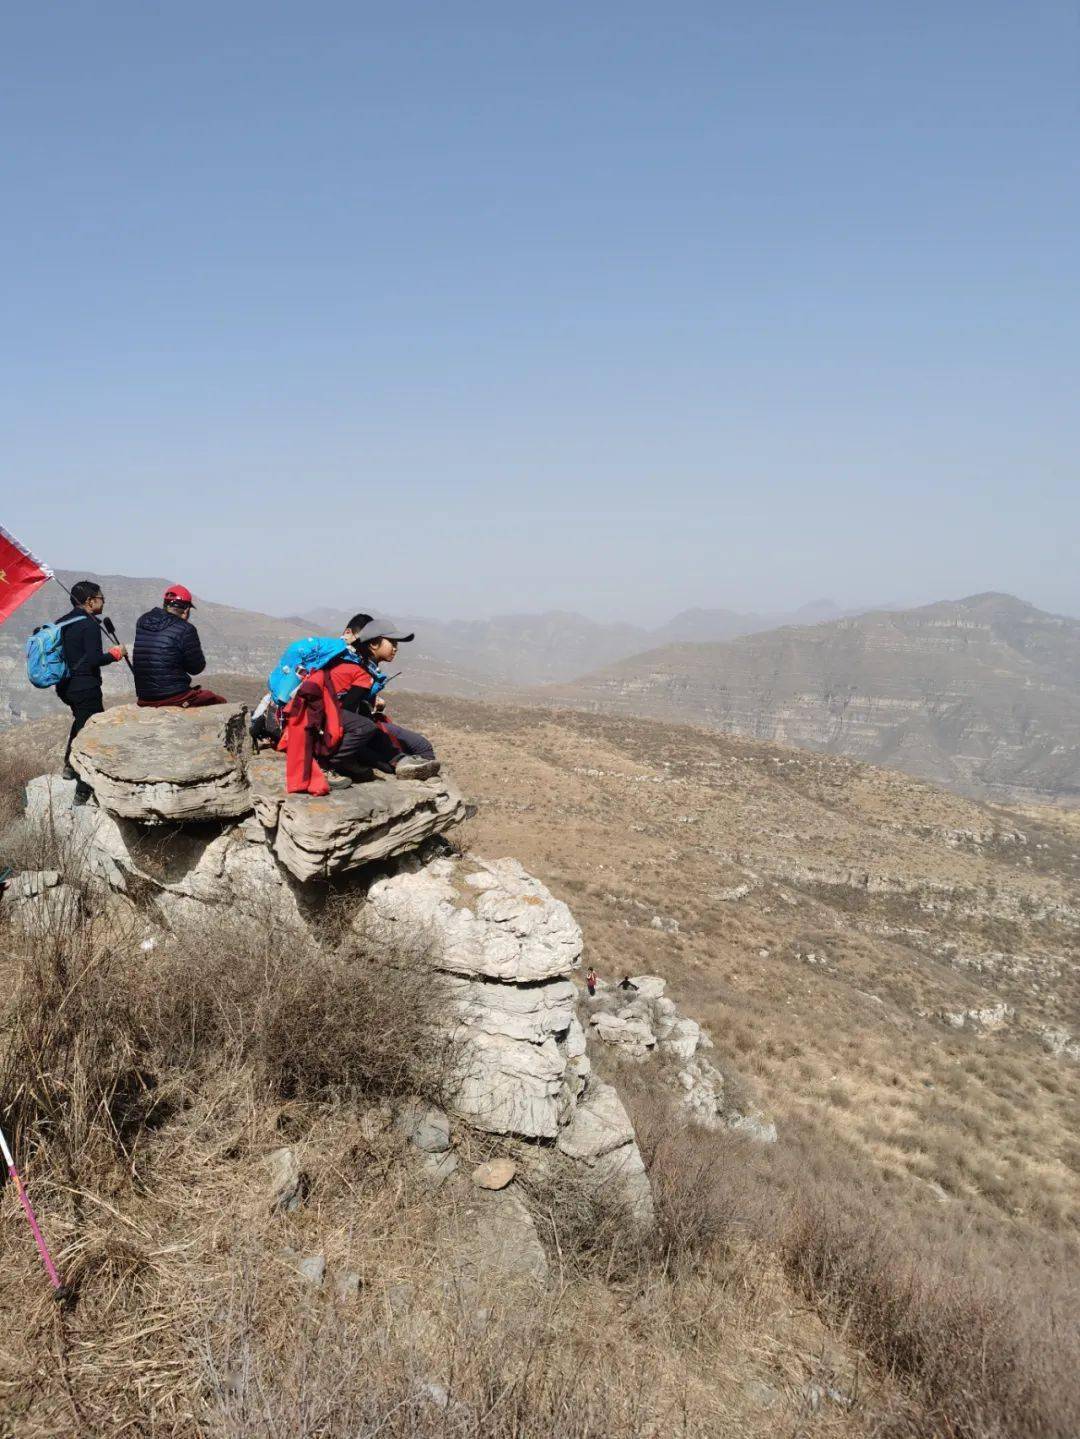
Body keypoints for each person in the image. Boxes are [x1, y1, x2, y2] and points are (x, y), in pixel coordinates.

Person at [323, 614, 439, 783]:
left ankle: (426, 780)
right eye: (392, 642)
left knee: (414, 747)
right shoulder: (360, 671)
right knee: (405, 753)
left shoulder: (361, 666)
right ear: (374, 644)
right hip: (347, 731)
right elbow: (346, 715)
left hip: (352, 727)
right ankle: (427, 783)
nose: (396, 648)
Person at [54, 579, 128, 804]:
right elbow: (95, 660)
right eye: (100, 596)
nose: (103, 600)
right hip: (85, 686)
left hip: (65, 686)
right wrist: (116, 654)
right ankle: (83, 790)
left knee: (80, 722)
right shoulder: (89, 625)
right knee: (93, 733)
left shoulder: (62, 622)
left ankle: (69, 766)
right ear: (89, 601)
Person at [132, 585, 227, 708]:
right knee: (219, 701)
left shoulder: (142, 621)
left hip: (144, 698)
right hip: (173, 697)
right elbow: (196, 668)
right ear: (186, 610)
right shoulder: (186, 629)